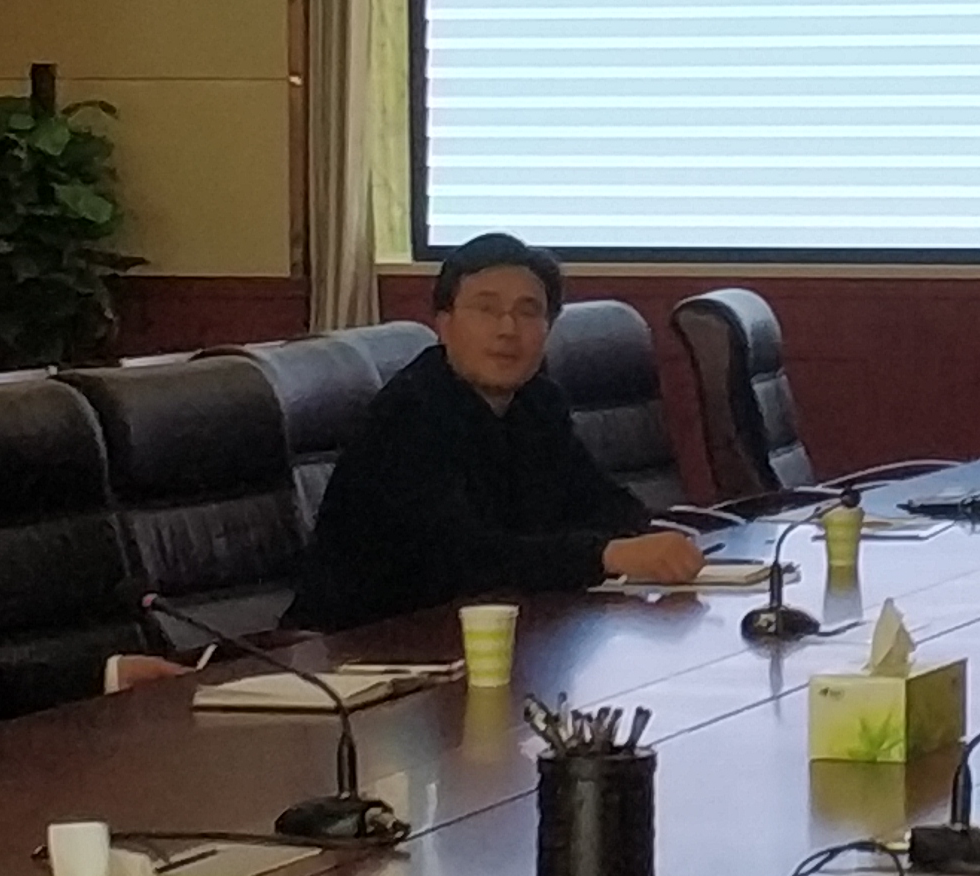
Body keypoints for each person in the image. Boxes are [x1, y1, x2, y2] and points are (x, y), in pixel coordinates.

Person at [283, 233, 705, 633]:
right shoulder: (408, 415)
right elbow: (464, 558)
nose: (507, 329)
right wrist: (605, 555)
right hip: (362, 646)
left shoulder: (538, 402)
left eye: (528, 312)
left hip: (483, 630)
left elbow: (600, 501)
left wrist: (649, 537)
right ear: (444, 324)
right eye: (486, 310)